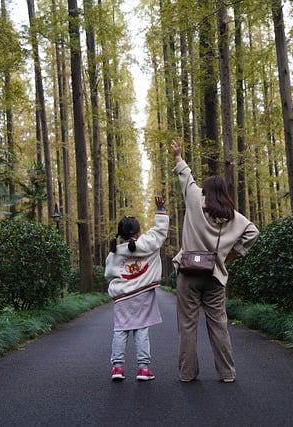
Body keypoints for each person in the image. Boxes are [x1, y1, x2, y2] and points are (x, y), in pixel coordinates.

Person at [171, 139, 259, 383]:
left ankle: (188, 374)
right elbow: (253, 232)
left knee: (187, 326)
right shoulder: (233, 217)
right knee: (219, 325)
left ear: (205, 192)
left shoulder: (194, 201)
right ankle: (227, 373)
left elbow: (186, 176)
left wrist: (179, 155)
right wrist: (229, 254)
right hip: (215, 276)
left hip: (188, 274)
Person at [105, 196, 169, 381]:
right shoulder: (147, 244)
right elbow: (160, 232)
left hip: (122, 298)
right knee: (141, 330)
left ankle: (117, 368)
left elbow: (109, 274)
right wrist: (161, 210)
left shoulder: (114, 253)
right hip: (144, 296)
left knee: (120, 330)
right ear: (139, 232)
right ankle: (143, 369)